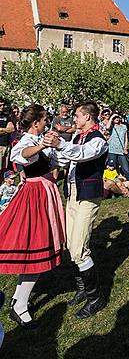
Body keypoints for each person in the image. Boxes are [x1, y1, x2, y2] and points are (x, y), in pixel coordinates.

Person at [0, 104, 65, 329]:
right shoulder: (27, 142)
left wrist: (53, 146)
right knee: (35, 248)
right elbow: (22, 156)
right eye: (45, 119)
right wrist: (41, 147)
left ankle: (19, 299)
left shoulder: (41, 140)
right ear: (36, 122)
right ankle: (20, 307)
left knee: (36, 248)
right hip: (35, 195)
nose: (47, 122)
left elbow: (56, 163)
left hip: (45, 191)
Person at [45, 101, 108, 319]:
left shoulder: (98, 139)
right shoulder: (79, 137)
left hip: (88, 195)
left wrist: (61, 145)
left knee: (80, 248)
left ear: (88, 117)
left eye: (78, 116)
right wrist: (50, 151)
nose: (74, 120)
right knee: (71, 244)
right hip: (72, 192)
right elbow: (68, 159)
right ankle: (83, 289)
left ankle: (95, 298)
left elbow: (82, 154)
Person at [105, 113, 129, 183]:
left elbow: (126, 138)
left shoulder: (124, 127)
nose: (116, 119)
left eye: (117, 117)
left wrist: (125, 148)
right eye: (115, 118)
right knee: (112, 168)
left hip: (121, 151)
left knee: (126, 169)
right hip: (112, 150)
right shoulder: (112, 127)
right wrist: (112, 117)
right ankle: (117, 184)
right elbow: (107, 127)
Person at [0, 99, 15, 171]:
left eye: (3, 105)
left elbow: (12, 129)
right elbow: (9, 129)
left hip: (6, 145)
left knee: (5, 170)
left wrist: (1, 130)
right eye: (0, 105)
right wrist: (6, 130)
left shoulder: (5, 115)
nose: (2, 107)